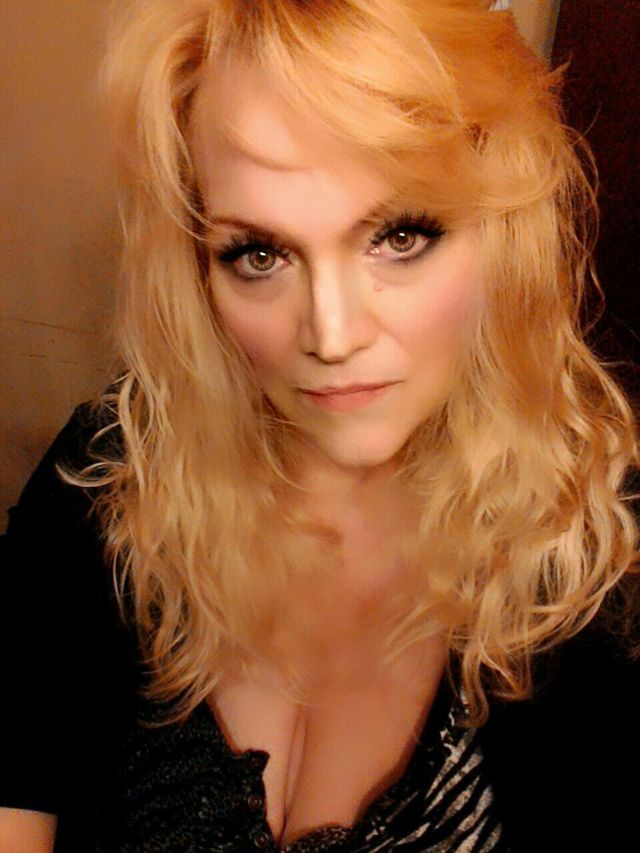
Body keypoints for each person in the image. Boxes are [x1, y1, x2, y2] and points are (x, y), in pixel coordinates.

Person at [1, 0, 639, 850]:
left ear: (501, 224)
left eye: (400, 235)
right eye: (259, 254)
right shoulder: (109, 480)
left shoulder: (599, 568)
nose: (332, 335)